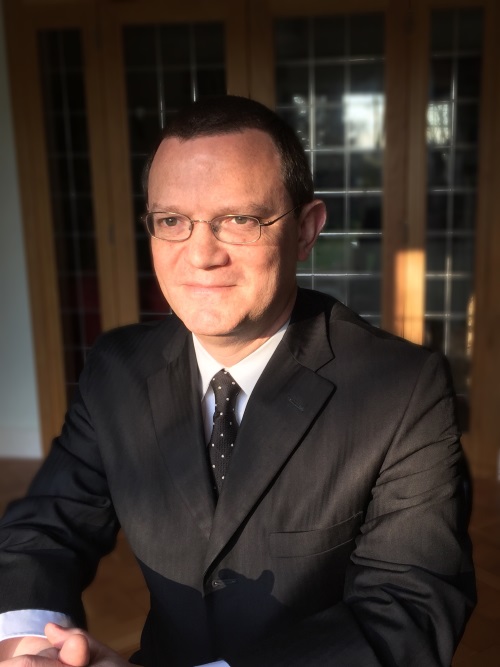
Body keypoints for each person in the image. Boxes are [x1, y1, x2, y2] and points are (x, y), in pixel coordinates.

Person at [0, 95, 475, 667]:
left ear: (306, 230)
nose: (201, 255)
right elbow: (45, 528)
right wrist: (32, 647)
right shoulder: (116, 368)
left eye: (239, 220)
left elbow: (411, 606)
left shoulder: (403, 390)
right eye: (172, 221)